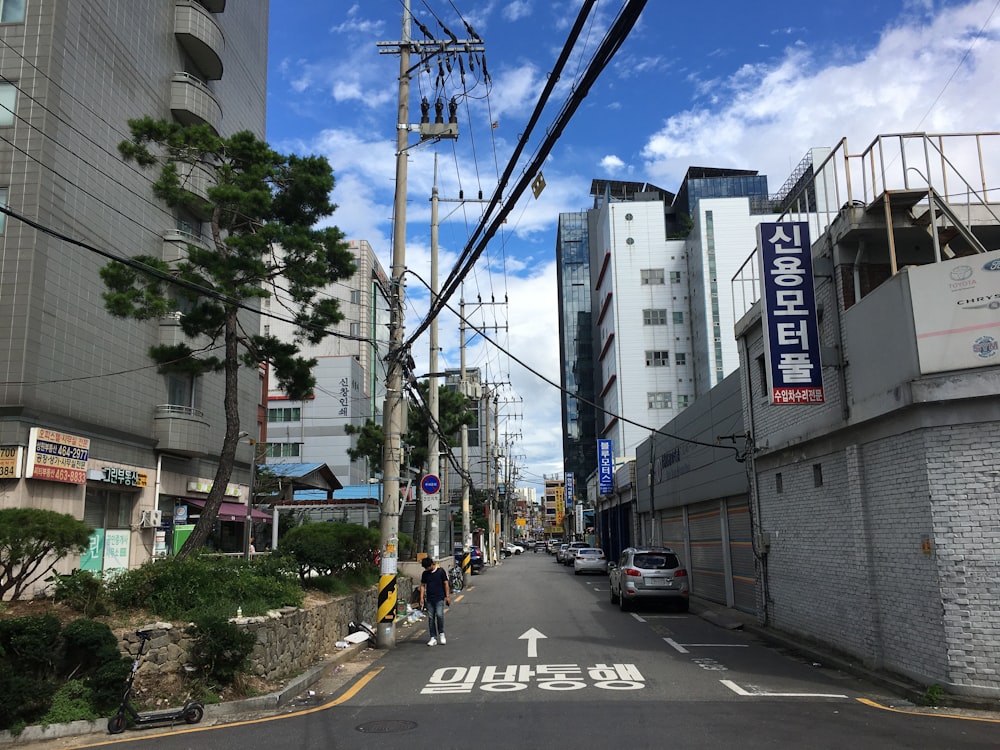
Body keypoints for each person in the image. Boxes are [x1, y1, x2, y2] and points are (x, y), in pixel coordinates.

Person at [419, 556, 450, 646]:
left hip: (439, 598)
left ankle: (441, 633)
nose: (426, 569)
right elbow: (422, 585)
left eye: (427, 567)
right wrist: (421, 598)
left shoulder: (441, 571)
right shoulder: (425, 574)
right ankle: (433, 637)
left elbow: (446, 583)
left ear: (431, 564)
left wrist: (447, 596)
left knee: (440, 615)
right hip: (429, 598)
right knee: (431, 618)